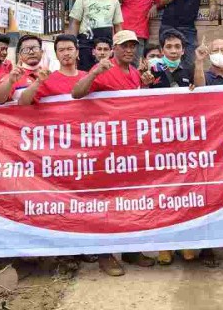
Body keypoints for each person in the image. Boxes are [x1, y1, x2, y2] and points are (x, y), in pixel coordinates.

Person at [72, 30, 156, 275]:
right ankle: (105, 254)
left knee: (130, 199)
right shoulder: (103, 69)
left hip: (129, 148)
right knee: (106, 203)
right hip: (106, 149)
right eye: (124, 46)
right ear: (114, 49)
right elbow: (76, 93)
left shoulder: (134, 73)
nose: (129, 50)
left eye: (133, 46)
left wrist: (145, 86)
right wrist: (96, 71)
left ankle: (130, 250)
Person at [146, 32, 206, 266]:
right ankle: (164, 246)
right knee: (162, 194)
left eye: (177, 47)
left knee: (186, 193)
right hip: (158, 143)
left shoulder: (189, 69)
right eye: (168, 47)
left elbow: (202, 90)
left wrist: (199, 63)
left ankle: (186, 242)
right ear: (162, 51)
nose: (172, 50)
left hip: (185, 144)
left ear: (183, 50)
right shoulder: (152, 72)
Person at [67, 0, 123, 71]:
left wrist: (119, 46)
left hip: (105, 46)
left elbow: (118, 26)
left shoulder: (114, 2)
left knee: (107, 74)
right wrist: (72, 45)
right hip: (86, 44)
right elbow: (75, 23)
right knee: (85, 74)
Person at [19, 35, 86, 105]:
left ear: (77, 52)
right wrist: (38, 81)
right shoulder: (46, 80)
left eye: (70, 49)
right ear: (56, 54)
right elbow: (22, 103)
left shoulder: (88, 77)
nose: (66, 53)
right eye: (61, 50)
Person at [0, 34, 46, 103]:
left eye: (35, 48)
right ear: (19, 55)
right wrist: (10, 82)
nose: (31, 52)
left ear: (41, 52)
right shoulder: (13, 77)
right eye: (26, 50)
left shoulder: (50, 76)